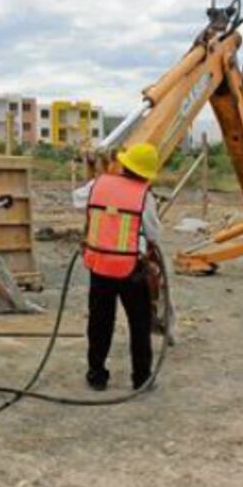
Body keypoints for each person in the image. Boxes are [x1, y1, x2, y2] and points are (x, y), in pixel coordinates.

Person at [73, 143, 161, 391]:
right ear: (146, 173)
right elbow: (153, 233)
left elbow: (77, 201)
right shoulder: (145, 195)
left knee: (100, 322)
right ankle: (141, 377)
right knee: (139, 324)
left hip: (99, 265)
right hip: (130, 268)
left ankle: (96, 374)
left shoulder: (99, 184)